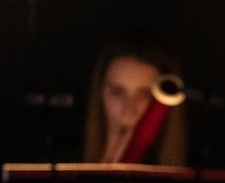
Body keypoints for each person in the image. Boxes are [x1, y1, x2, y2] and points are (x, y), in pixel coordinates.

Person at [81, 37, 189, 166]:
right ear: (99, 92)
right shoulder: (61, 164)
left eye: (144, 95)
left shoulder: (192, 176)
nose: (129, 111)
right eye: (117, 92)